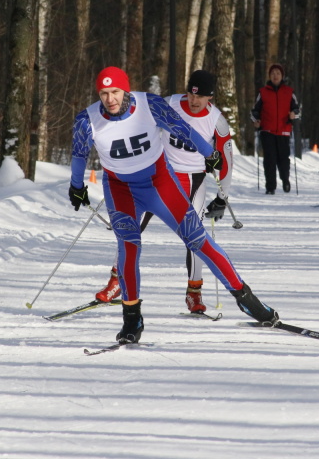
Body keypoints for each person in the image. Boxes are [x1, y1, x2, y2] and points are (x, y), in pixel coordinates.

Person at [69, 66, 277, 343]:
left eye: (116, 92)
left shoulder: (149, 105)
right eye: (104, 93)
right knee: (129, 248)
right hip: (120, 189)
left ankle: (246, 298)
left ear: (126, 90)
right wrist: (76, 186)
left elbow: (183, 129)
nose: (110, 99)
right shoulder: (88, 120)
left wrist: (210, 153)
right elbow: (79, 154)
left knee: (197, 239)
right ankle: (132, 320)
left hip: (160, 183)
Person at [92, 69, 234, 315]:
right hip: (158, 176)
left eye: (200, 97)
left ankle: (194, 292)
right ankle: (117, 281)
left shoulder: (217, 120)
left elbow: (226, 159)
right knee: (129, 227)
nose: (193, 100)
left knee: (195, 235)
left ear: (210, 98)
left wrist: (223, 197)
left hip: (194, 180)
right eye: (191, 93)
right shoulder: (169, 103)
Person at [250, 63, 300, 195]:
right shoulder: (263, 92)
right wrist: (256, 120)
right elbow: (255, 111)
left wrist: (293, 114)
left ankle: (285, 180)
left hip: (284, 130)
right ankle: (270, 187)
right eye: (273, 73)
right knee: (269, 160)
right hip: (267, 130)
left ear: (282, 76)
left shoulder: (289, 91)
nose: (275, 76)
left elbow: (297, 109)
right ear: (270, 76)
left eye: (278, 73)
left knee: (283, 159)